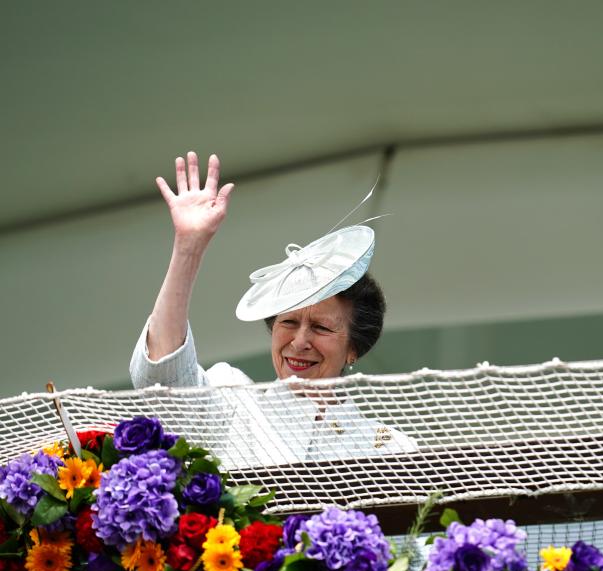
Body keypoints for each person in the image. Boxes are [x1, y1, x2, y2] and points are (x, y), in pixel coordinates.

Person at [130, 152, 416, 466]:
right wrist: (188, 248)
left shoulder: (390, 448)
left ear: (354, 348)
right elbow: (161, 380)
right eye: (289, 322)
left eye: (320, 327)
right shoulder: (234, 403)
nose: (299, 341)